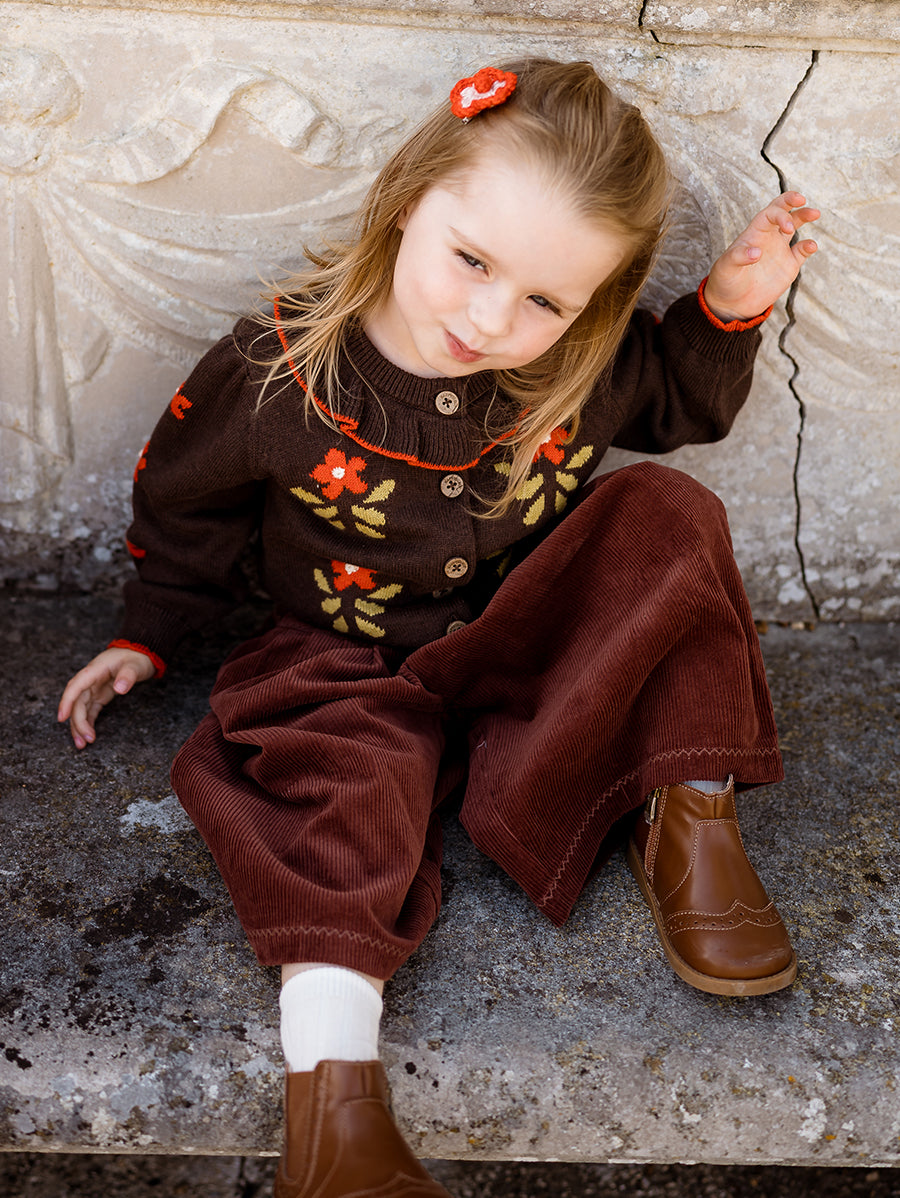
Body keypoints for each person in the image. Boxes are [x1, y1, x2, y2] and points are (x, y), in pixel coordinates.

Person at [58, 58, 819, 1198]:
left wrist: (730, 304)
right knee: (341, 792)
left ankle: (689, 818)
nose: (492, 319)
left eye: (548, 301)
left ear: (592, 303)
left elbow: (680, 401)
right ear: (411, 198)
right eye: (473, 261)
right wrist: (148, 630)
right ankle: (337, 1111)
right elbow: (185, 501)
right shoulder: (279, 368)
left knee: (666, 515)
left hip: (527, 645)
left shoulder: (577, 362)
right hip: (340, 656)